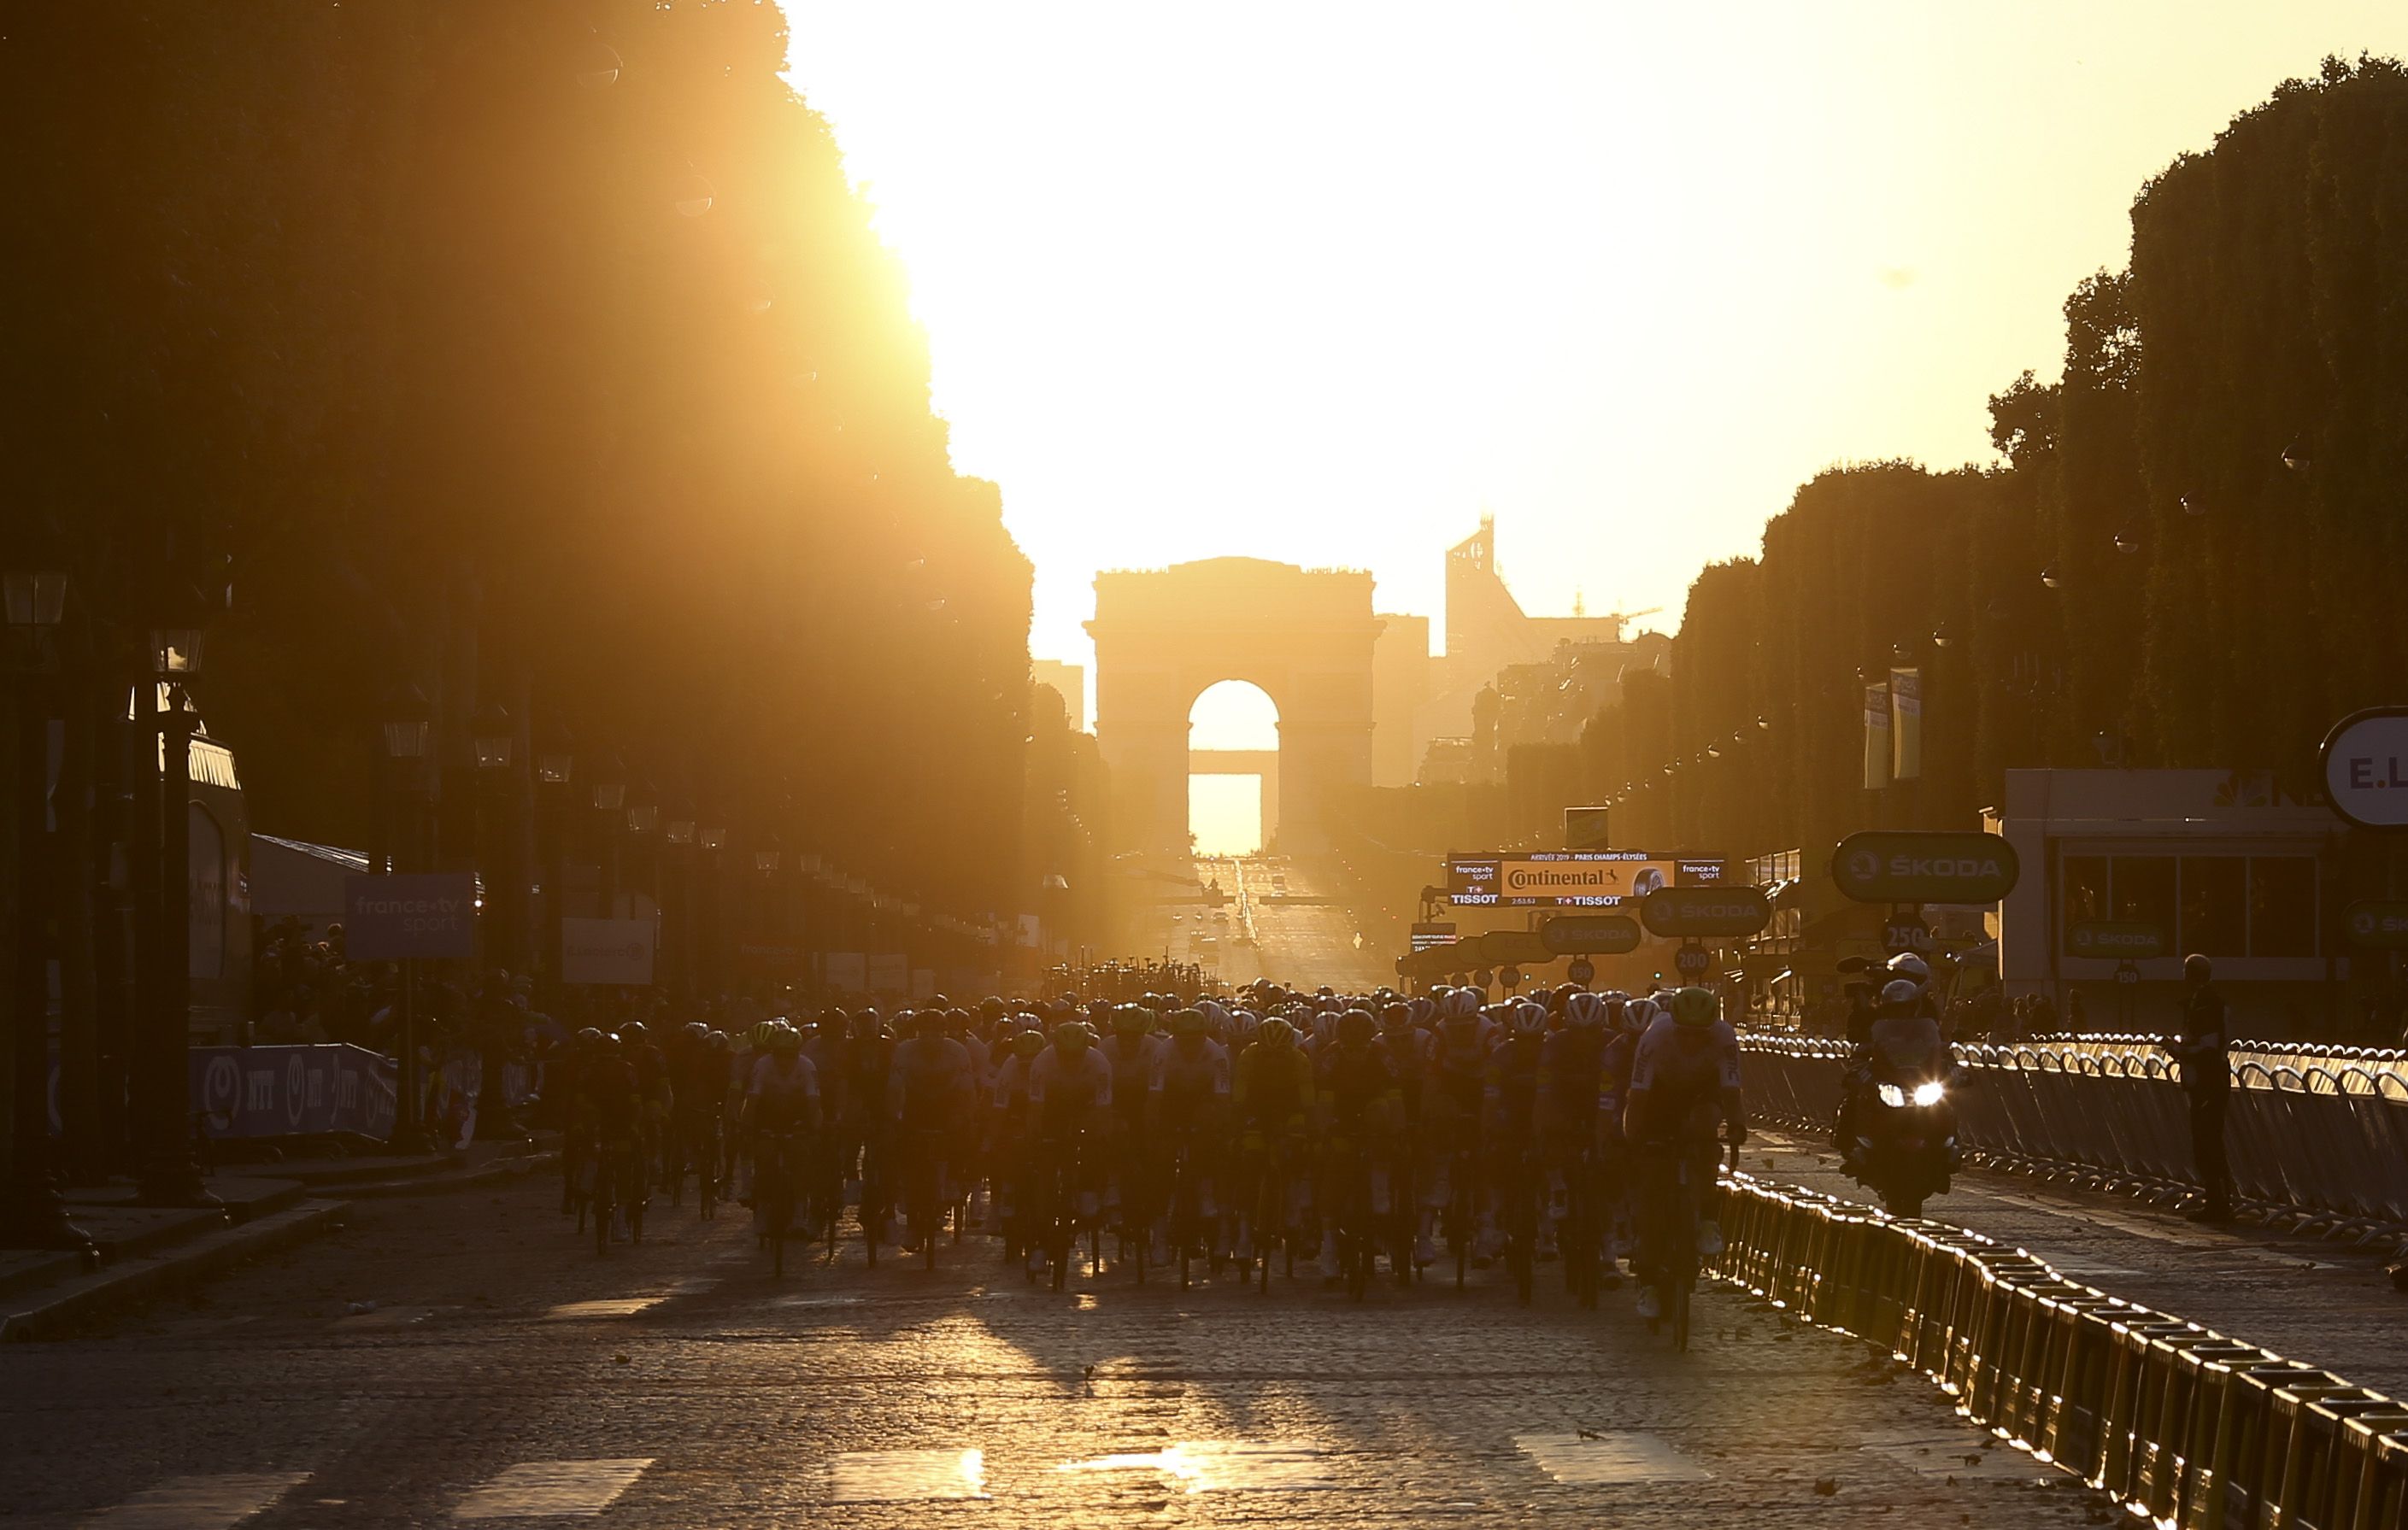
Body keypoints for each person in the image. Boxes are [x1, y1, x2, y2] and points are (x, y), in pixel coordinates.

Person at [1623, 987, 1746, 1322]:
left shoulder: (1724, 1038)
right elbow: (1637, 1098)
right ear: (1673, 1026)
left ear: (1713, 1028)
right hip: (1659, 1096)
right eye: (1685, 1035)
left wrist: (1736, 1126)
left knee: (1705, 1129)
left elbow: (1731, 1090)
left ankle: (1707, 1218)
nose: (1692, 1042)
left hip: (1701, 1092)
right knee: (1651, 1194)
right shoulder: (1654, 1038)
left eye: (1699, 1036)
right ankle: (1647, 1282)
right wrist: (1633, 1141)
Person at [2172, 954, 2234, 1222]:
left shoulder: (2208, 1004)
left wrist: (2178, 1052)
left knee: (2209, 1143)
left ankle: (2220, 1204)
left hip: (2210, 1081)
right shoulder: (2203, 1001)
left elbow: (2208, 1048)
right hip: (2204, 1081)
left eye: (2186, 971)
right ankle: (2216, 1201)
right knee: (2204, 1143)